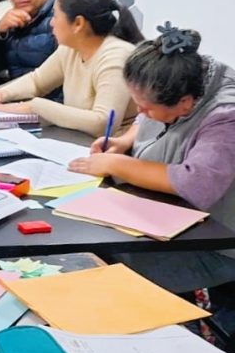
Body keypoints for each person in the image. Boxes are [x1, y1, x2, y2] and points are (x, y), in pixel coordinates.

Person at [68, 24, 235, 304]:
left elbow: (197, 183)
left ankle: (177, 321)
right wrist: (124, 141)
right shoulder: (177, 77)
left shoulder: (225, 117)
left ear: (185, 104)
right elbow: (146, 115)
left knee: (109, 261)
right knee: (94, 241)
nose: (141, 113)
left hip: (219, 245)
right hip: (176, 222)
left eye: (146, 108)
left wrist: (117, 164)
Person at [0, 0, 143, 137]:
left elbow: (103, 124)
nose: (52, 23)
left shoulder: (115, 56)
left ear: (78, 23)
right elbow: (37, 81)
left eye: (56, 16)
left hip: (114, 149)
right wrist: (1, 93)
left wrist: (36, 106)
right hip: (78, 142)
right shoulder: (70, 49)